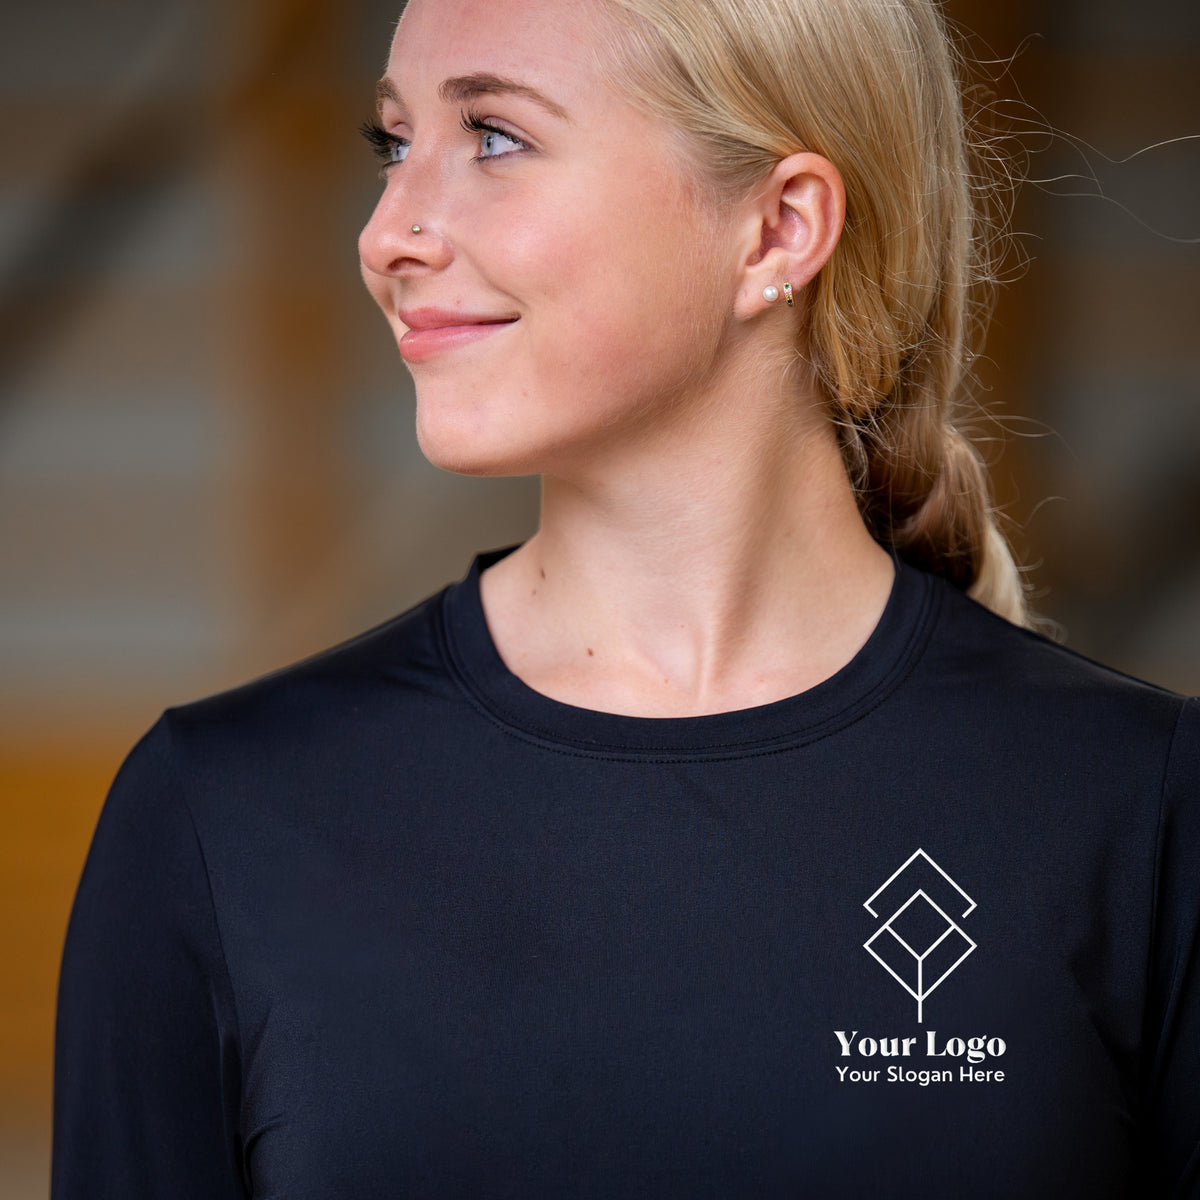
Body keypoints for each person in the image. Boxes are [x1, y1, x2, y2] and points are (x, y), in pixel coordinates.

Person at [52, 0, 1199, 1195]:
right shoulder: (220, 819)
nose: (386, 234)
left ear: (779, 229)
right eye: (394, 143)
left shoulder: (1141, 812)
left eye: (494, 137)